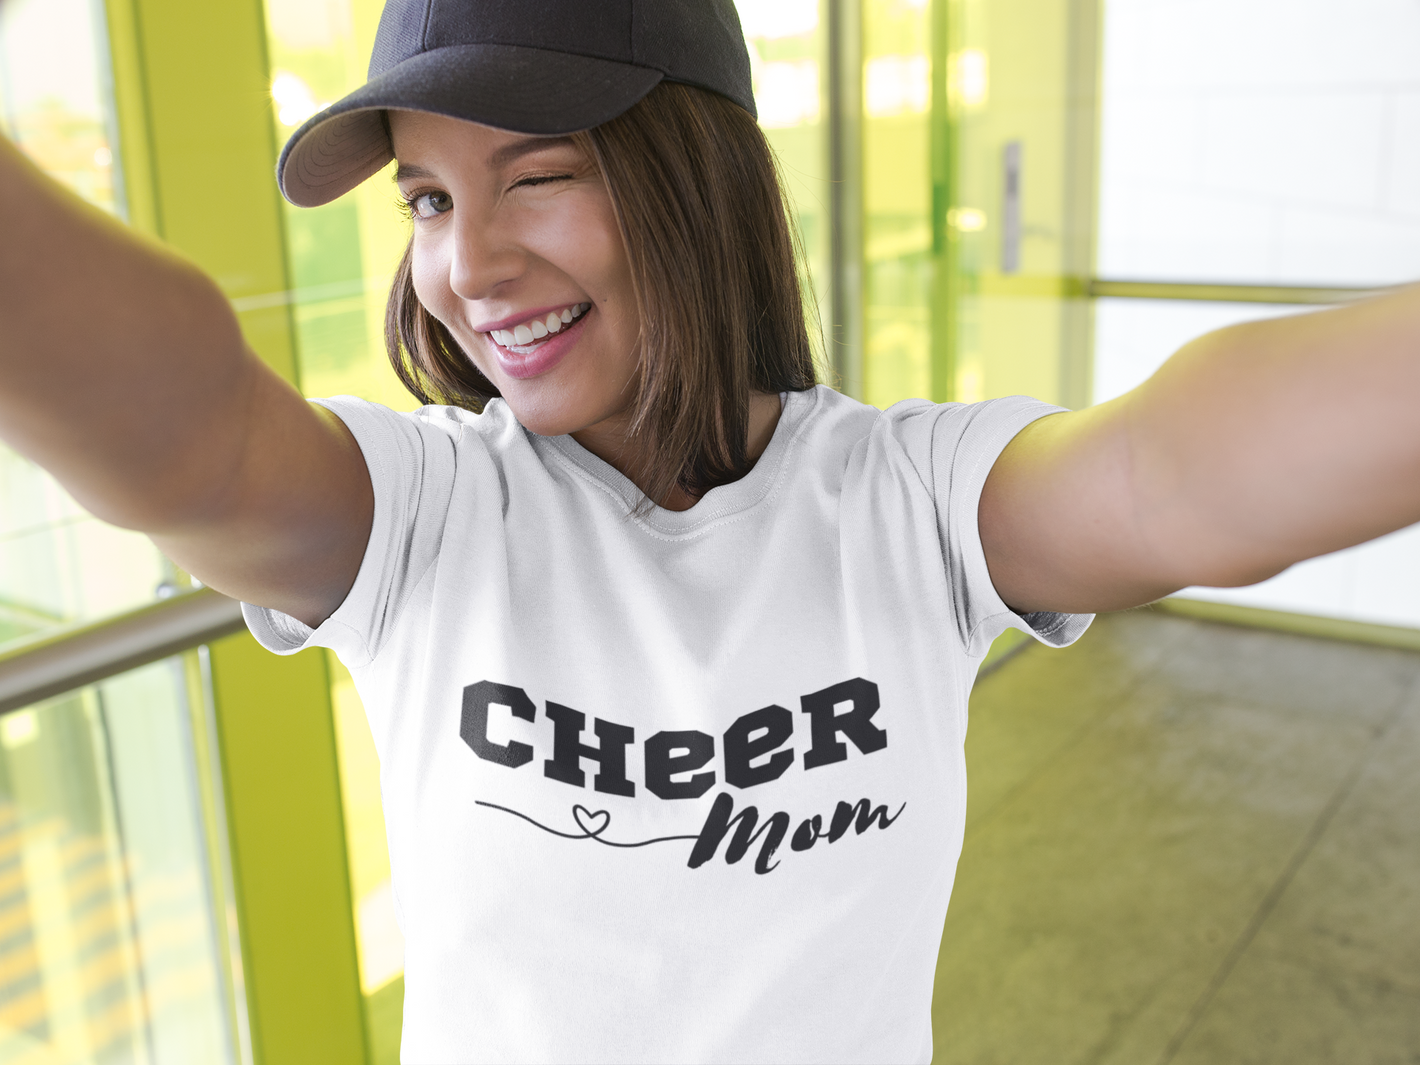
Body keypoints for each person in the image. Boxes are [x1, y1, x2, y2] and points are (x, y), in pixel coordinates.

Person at [1, 0, 1417, 1061]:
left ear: (695, 177)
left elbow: (1187, 473)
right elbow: (189, 430)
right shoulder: (426, 522)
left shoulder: (905, 505)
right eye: (428, 197)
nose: (468, 265)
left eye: (537, 175)